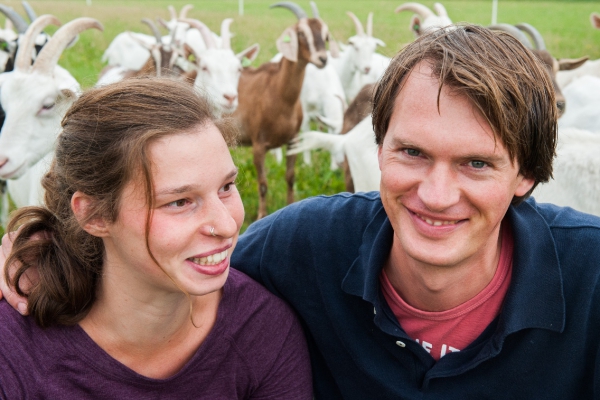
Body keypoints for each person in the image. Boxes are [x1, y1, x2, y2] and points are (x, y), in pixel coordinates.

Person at [2, 24, 599, 398]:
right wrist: (36, 250)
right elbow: (173, 250)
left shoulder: (592, 274)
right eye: (412, 153)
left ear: (526, 174)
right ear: (376, 145)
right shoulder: (304, 245)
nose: (436, 195)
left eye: (477, 164)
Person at [0, 77, 312, 398]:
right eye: (179, 202)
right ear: (94, 215)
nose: (227, 225)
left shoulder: (261, 332)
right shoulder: (14, 349)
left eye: (226, 187)